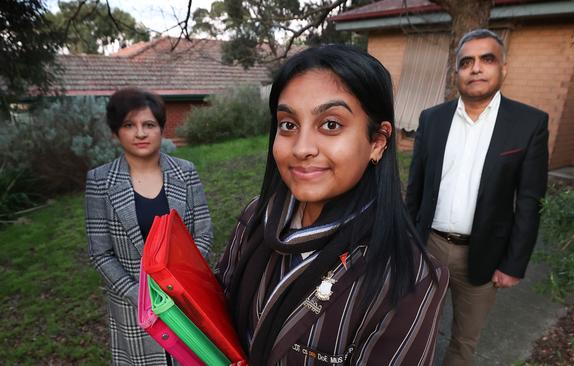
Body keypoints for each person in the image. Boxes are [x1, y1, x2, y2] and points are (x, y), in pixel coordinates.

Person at [215, 44, 449, 365]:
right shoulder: (256, 217)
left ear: (377, 142)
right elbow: (215, 308)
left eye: (331, 124)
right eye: (288, 124)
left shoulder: (409, 278)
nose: (301, 148)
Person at [406, 29, 549, 365]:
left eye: (487, 59)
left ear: (503, 68)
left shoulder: (529, 123)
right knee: (414, 327)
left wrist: (513, 263)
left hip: (485, 254)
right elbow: (415, 188)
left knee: (464, 340)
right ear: (456, 71)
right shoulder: (432, 119)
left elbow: (529, 201)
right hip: (430, 247)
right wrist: (408, 241)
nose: (476, 68)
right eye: (466, 61)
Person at [85, 87, 213, 365]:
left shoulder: (186, 172)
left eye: (149, 125)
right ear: (115, 132)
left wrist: (179, 284)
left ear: (162, 129)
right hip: (133, 309)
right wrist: (138, 294)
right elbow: (100, 253)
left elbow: (203, 235)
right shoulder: (99, 182)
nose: (140, 133)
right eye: (129, 125)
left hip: (185, 300)